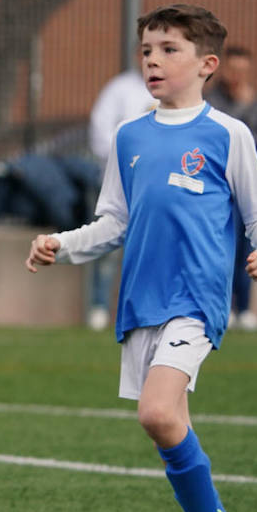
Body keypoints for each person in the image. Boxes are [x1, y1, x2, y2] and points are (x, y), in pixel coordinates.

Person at [26, 4, 257, 512]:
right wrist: (64, 242)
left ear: (207, 64)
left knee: (157, 413)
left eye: (169, 50)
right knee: (169, 425)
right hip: (141, 302)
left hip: (196, 301)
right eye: (147, 50)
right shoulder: (130, 136)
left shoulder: (228, 135)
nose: (154, 61)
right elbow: (113, 221)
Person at [85, 61, 156, 330]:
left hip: (158, 188)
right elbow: (99, 134)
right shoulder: (120, 89)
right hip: (119, 184)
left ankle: (144, 309)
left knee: (150, 249)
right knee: (107, 246)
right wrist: (133, 160)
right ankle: (99, 307)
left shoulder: (175, 92)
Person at [205, 45, 257, 331]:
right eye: (233, 69)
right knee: (221, 249)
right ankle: (223, 305)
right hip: (220, 191)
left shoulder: (256, 104)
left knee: (249, 248)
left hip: (249, 189)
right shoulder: (211, 101)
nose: (237, 75)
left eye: (243, 70)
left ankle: (244, 308)